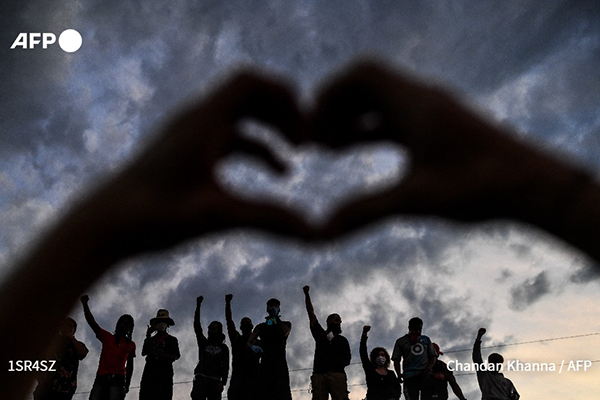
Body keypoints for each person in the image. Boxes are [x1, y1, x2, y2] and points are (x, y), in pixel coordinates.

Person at [3, 61, 600, 400]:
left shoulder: (302, 338)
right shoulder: (244, 340)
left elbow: (305, 335)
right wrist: (553, 195)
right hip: (213, 383)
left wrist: (89, 234)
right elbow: (227, 336)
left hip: (284, 383)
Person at [80, 295, 136, 400]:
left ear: (129, 328)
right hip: (101, 378)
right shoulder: (107, 337)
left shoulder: (130, 345)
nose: (123, 325)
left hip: (118, 381)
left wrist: (127, 384)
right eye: (121, 322)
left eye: (126, 324)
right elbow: (92, 323)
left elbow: (130, 366)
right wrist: (85, 304)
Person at [303, 285, 351, 400]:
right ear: (329, 322)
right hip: (319, 374)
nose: (339, 323)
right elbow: (311, 314)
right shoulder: (320, 335)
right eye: (336, 320)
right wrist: (307, 295)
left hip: (337, 374)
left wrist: (337, 365)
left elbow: (347, 358)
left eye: (340, 321)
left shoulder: (342, 340)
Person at [247, 298, 293, 400]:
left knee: (283, 394)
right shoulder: (261, 327)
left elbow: (284, 332)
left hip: (280, 366)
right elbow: (249, 342)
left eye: (275, 305)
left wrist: (275, 317)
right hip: (265, 366)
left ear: (279, 309)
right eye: (270, 305)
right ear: (267, 308)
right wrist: (252, 347)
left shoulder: (286, 324)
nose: (273, 307)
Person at [33, 318, 89, 400]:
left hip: (65, 389)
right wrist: (40, 378)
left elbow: (83, 353)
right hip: (45, 387)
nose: (68, 328)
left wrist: (72, 338)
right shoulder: (51, 343)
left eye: (70, 326)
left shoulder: (77, 344)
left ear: (74, 330)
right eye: (65, 326)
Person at [192, 296, 229, 400]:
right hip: (201, 378)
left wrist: (223, 382)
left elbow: (226, 366)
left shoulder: (224, 348)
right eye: (209, 329)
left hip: (215, 381)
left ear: (218, 331)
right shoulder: (203, 343)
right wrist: (198, 306)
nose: (210, 331)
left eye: (213, 329)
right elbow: (197, 326)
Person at [225, 293, 261, 400]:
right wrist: (227, 303)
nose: (246, 325)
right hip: (238, 380)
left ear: (251, 326)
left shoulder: (258, 342)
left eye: (247, 323)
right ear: (240, 327)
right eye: (244, 323)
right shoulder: (236, 338)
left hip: (254, 379)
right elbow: (229, 321)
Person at [391, 317, 437, 400]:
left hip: (425, 375)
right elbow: (396, 359)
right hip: (409, 376)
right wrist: (398, 374)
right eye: (415, 329)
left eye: (419, 329)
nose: (417, 331)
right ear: (409, 328)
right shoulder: (401, 341)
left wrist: (428, 368)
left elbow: (433, 356)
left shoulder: (425, 339)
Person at [139, 309, 181, 400]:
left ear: (167, 325)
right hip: (149, 375)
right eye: (159, 322)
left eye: (164, 322)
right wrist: (148, 335)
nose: (161, 325)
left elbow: (176, 355)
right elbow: (144, 352)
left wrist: (161, 355)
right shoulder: (151, 339)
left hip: (165, 375)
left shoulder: (172, 340)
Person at [473, 328, 519, 400]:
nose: (496, 365)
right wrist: (478, 339)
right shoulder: (484, 374)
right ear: (490, 363)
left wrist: (513, 396)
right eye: (494, 362)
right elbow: (476, 357)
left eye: (499, 363)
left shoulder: (507, 382)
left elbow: (515, 395)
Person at [360, 325, 401, 400]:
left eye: (382, 355)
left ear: (386, 357)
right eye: (378, 355)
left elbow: (397, 388)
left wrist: (395, 398)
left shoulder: (391, 374)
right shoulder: (370, 370)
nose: (380, 357)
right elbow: (363, 353)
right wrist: (364, 334)